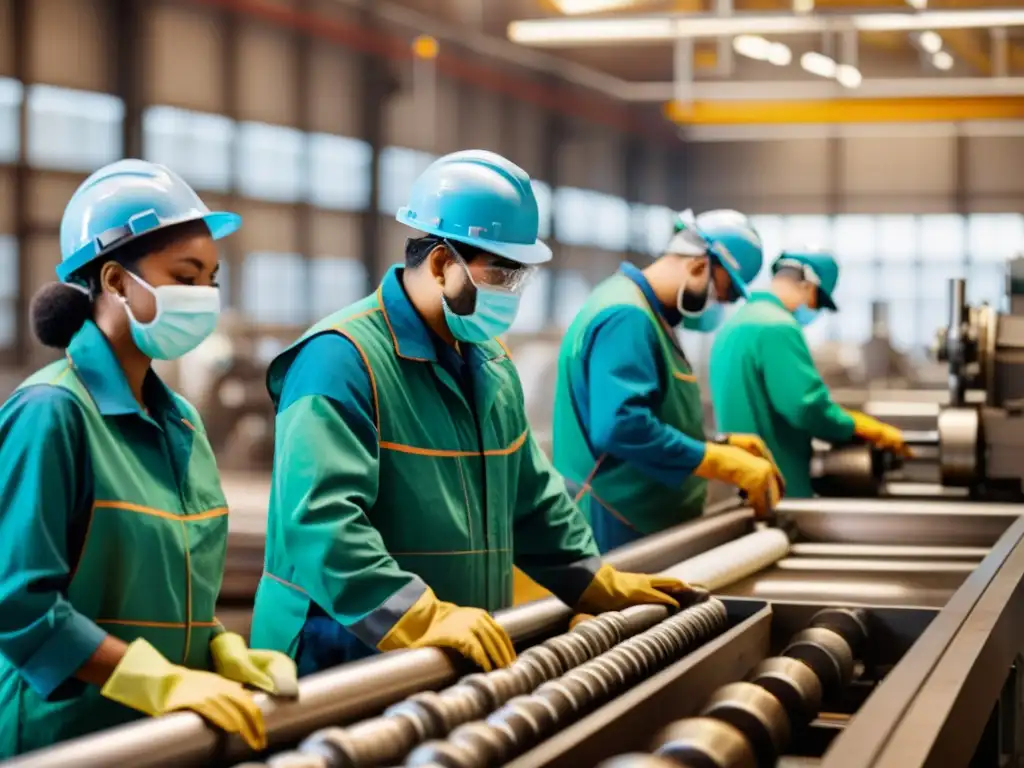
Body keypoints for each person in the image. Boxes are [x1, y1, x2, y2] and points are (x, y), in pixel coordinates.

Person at [250, 149, 702, 674]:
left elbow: (530, 495)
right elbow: (321, 520)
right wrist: (421, 617)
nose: (511, 294)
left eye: (519, 278)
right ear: (443, 264)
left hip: (448, 643)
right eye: (502, 275)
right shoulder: (340, 358)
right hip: (338, 653)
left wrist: (591, 577)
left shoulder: (488, 361)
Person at [0, 160, 297, 757]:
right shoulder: (52, 412)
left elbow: (168, 588)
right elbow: (18, 603)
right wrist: (153, 680)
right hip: (64, 740)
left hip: (161, 737)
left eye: (212, 279)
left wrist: (216, 647)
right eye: (185, 276)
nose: (204, 297)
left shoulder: (181, 423)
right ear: (114, 280)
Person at [549, 209, 785, 554]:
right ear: (699, 267)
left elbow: (652, 416)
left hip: (640, 519)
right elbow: (621, 427)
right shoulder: (626, 315)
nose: (717, 306)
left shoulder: (645, 313)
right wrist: (720, 462)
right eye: (720, 295)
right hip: (615, 521)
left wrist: (718, 443)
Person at [709, 249, 911, 499]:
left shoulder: (736, 323)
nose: (815, 309)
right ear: (808, 285)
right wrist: (854, 426)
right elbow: (804, 408)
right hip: (778, 481)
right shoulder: (777, 326)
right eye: (819, 300)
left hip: (742, 479)